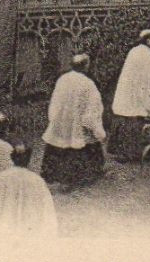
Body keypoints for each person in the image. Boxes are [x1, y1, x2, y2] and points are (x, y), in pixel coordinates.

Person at [40, 53, 106, 189]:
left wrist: (54, 120)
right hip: (78, 126)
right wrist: (97, 131)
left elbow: (54, 103)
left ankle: (52, 174)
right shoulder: (88, 84)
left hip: (61, 124)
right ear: (85, 66)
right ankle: (77, 177)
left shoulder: (62, 79)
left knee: (59, 142)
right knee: (82, 144)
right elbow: (92, 110)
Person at [0, 145, 57, 237]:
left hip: (1, 233)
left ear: (12, 158)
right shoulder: (37, 181)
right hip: (28, 235)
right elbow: (48, 213)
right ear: (28, 159)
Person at [109, 29, 150, 162]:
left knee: (126, 122)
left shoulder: (134, 51)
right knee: (134, 123)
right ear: (148, 40)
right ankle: (133, 155)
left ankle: (124, 153)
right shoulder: (147, 56)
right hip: (136, 93)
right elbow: (148, 79)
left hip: (128, 92)